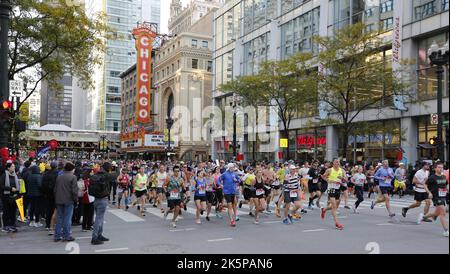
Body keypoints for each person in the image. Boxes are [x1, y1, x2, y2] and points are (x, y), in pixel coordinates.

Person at [418, 162, 448, 237]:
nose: (441, 169)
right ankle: (446, 231)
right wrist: (429, 193)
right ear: (435, 168)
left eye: (442, 167)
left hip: (443, 196)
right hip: (436, 197)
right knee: (442, 213)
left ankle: (423, 217)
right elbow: (425, 185)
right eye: (439, 167)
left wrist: (447, 189)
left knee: (436, 213)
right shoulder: (432, 177)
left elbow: (446, 185)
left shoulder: (443, 177)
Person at [54, 162, 78, 242]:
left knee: (59, 218)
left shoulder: (59, 177)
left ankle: (57, 236)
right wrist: (76, 200)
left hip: (59, 200)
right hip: (68, 200)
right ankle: (66, 235)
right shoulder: (73, 177)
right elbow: (74, 191)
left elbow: (55, 189)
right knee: (67, 218)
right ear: (72, 169)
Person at [91, 162, 112, 245]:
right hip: (102, 199)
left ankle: (99, 235)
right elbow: (116, 174)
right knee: (98, 219)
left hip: (96, 199)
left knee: (100, 218)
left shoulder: (96, 175)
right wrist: (116, 168)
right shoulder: (106, 176)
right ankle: (95, 237)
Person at [321, 159, 346, 230]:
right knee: (334, 206)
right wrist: (329, 180)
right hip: (331, 188)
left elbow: (346, 180)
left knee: (335, 205)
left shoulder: (342, 171)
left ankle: (324, 209)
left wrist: (342, 178)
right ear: (333, 163)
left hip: (338, 189)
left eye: (339, 162)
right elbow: (323, 176)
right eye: (336, 162)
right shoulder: (329, 170)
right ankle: (337, 223)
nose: (338, 163)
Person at [0, 163, 20, 233]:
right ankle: (5, 226)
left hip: (14, 196)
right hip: (6, 197)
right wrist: (10, 188)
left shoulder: (15, 175)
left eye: (14, 166)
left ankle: (12, 225)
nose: (14, 167)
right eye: (12, 166)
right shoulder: (4, 175)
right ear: (8, 168)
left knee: (13, 211)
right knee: (6, 212)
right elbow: (1, 186)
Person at [41, 162, 58, 235]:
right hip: (55, 194)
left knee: (48, 209)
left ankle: (48, 224)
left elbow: (42, 184)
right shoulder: (57, 174)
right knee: (55, 210)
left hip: (47, 194)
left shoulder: (45, 174)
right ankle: (53, 224)